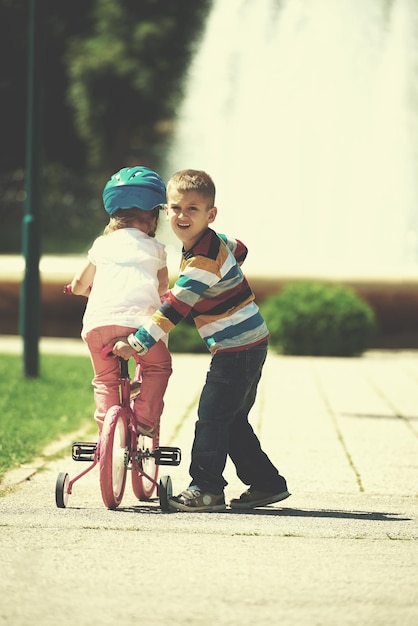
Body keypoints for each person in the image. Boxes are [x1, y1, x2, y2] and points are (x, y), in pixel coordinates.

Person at [113, 169, 290, 512]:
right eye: (176, 208)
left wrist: (136, 344)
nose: (182, 216)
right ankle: (267, 483)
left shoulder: (202, 261)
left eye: (192, 209)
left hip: (236, 349)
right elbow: (241, 248)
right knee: (231, 418)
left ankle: (207, 489)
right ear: (165, 210)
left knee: (211, 416)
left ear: (210, 214)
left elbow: (175, 307)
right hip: (250, 343)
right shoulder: (212, 241)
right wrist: (230, 267)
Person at [70, 166, 172, 436]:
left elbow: (80, 284)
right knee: (158, 367)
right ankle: (145, 420)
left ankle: (109, 438)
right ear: (152, 219)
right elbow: (162, 287)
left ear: (114, 216)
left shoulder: (101, 245)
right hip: (139, 325)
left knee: (105, 380)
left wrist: (82, 289)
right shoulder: (157, 250)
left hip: (98, 325)